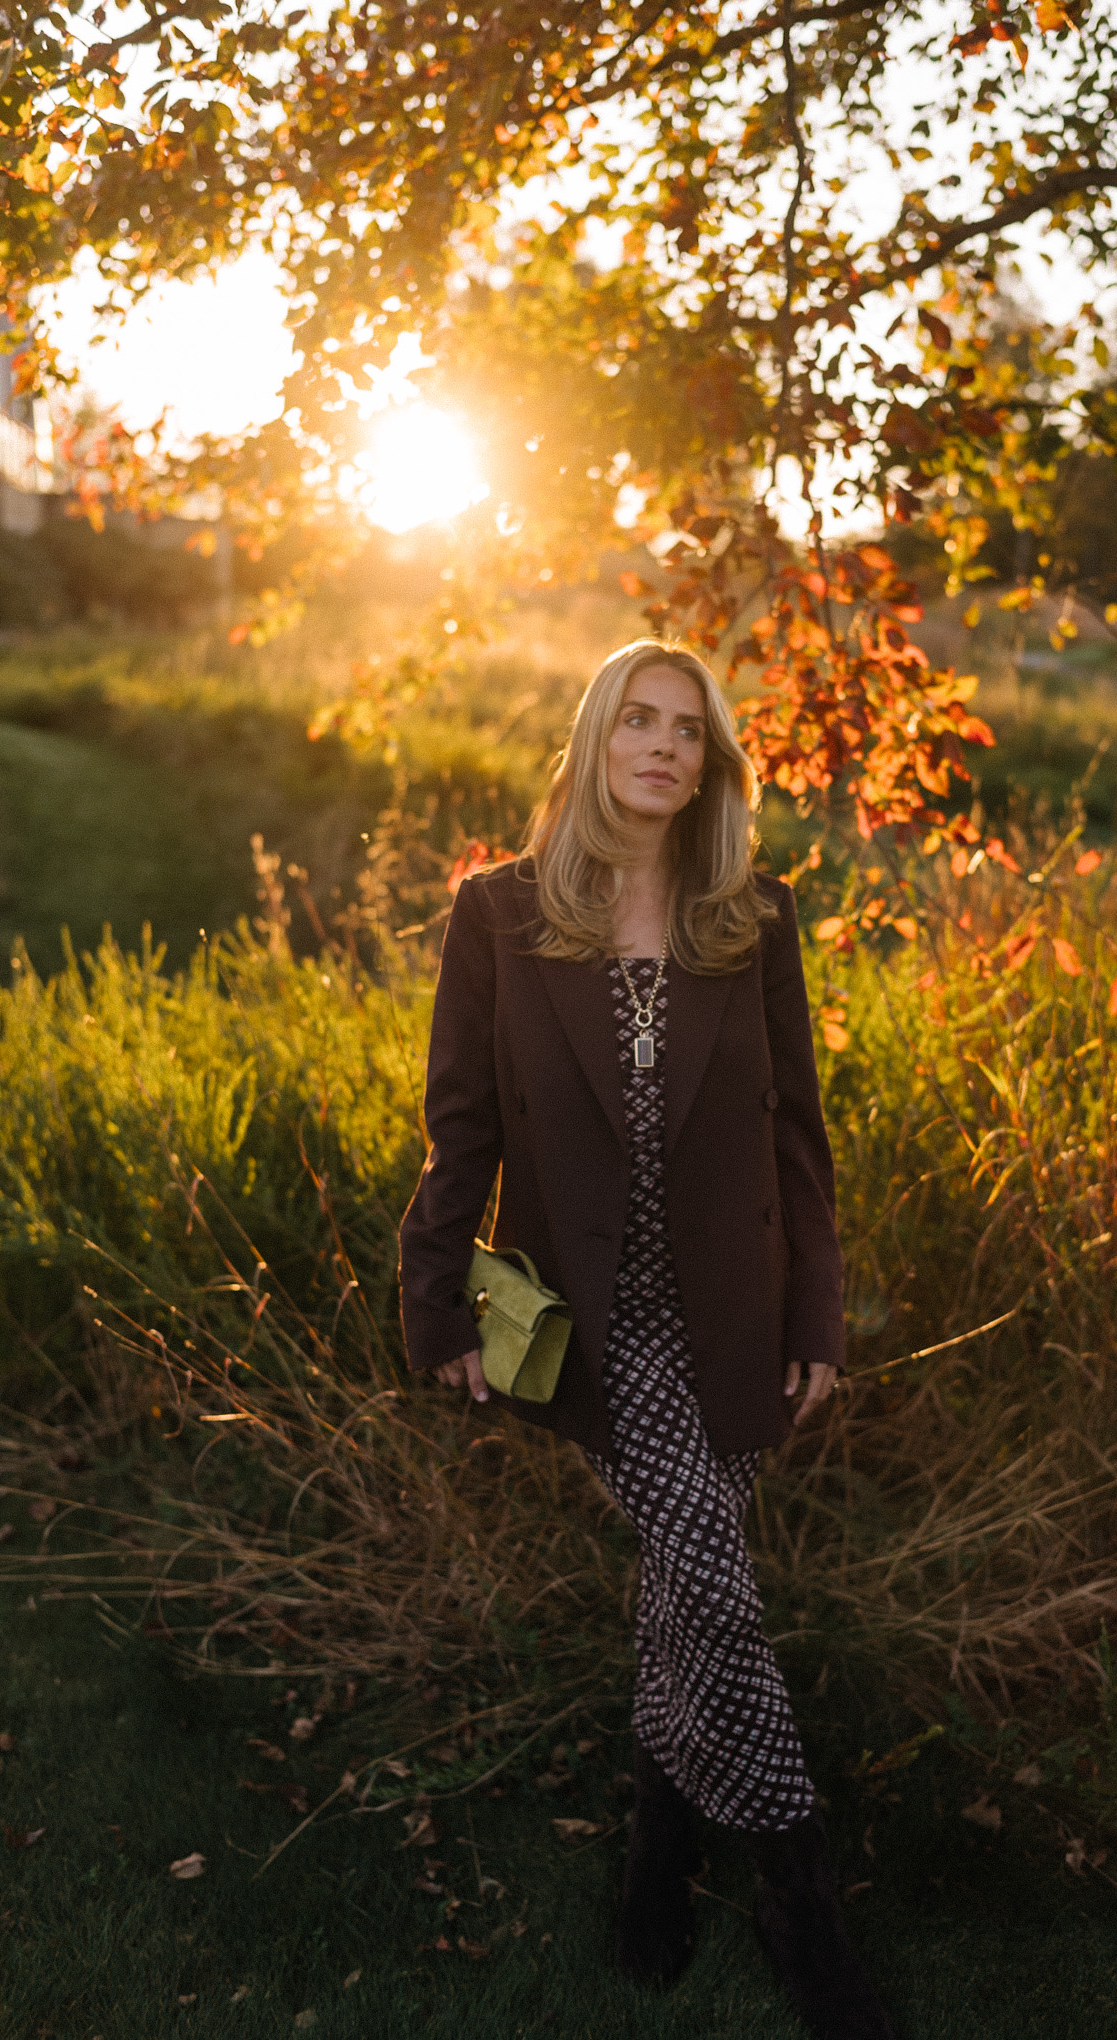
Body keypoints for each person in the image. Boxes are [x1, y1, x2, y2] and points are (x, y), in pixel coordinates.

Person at [399, 639, 897, 2040]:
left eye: (690, 729)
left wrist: (817, 1318)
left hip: (731, 1315)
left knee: (682, 1594)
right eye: (641, 721)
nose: (666, 747)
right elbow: (464, 1130)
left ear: (712, 761)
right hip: (581, 1328)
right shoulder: (498, 913)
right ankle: (807, 1917)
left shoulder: (753, 918)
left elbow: (799, 1138)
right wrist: (437, 1299)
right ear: (595, 738)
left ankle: (656, 1870)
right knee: (717, 1590)